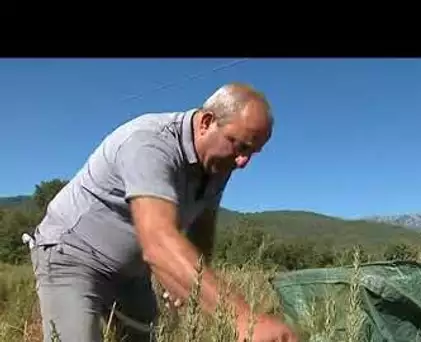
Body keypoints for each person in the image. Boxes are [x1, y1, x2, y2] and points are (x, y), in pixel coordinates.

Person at [29, 83, 299, 342]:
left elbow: (202, 227)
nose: (243, 162)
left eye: (253, 152)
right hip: (72, 256)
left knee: (143, 336)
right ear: (206, 122)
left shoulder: (218, 166)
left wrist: (188, 281)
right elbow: (158, 241)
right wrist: (242, 317)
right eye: (240, 146)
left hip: (132, 274)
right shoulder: (149, 143)